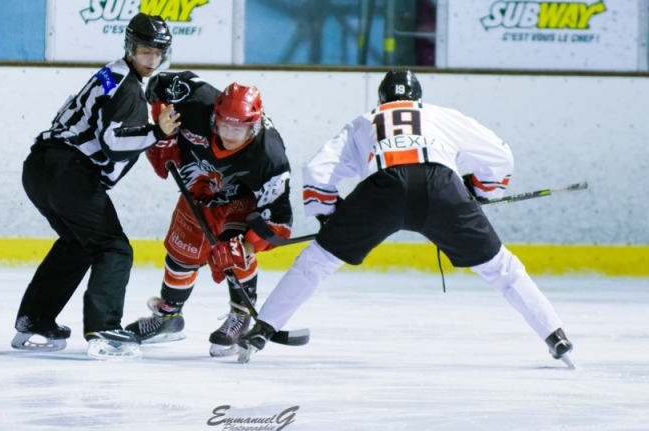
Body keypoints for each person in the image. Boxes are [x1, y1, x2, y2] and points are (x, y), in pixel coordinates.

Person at [237, 70, 574, 367]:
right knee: (503, 269)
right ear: (418, 98)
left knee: (316, 263)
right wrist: (480, 191)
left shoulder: (364, 120)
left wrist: (328, 213)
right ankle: (555, 336)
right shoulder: (442, 115)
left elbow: (317, 170)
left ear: (381, 98)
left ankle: (263, 329)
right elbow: (500, 155)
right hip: (441, 187)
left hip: (382, 189)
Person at [11, 13, 178, 360]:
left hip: (40, 167)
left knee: (77, 243)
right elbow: (113, 142)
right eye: (146, 51)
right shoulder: (128, 87)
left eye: (158, 53)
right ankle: (104, 329)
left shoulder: (112, 72)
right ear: (131, 48)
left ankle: (35, 318)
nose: (152, 60)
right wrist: (158, 132)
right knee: (114, 249)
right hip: (68, 172)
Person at [123, 71, 294, 357]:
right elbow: (159, 84)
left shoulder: (270, 155)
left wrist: (249, 247)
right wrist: (163, 128)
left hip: (241, 200)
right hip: (197, 192)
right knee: (181, 255)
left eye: (237, 130)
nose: (227, 134)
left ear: (253, 127)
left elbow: (278, 218)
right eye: (223, 125)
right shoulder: (198, 99)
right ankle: (168, 317)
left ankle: (240, 316)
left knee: (233, 250)